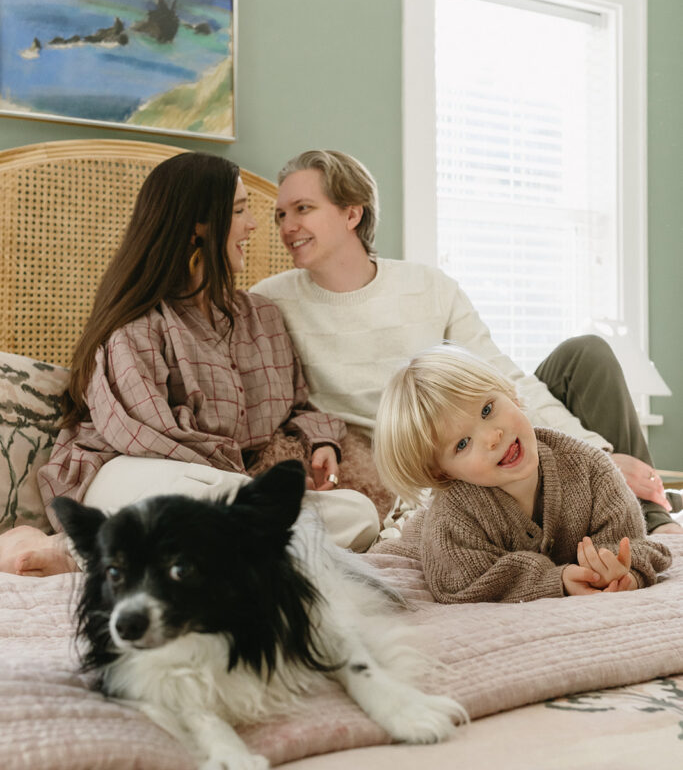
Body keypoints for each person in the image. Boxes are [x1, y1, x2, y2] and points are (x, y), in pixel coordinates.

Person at [251, 149, 681, 535]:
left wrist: (599, 453)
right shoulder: (270, 300)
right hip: (440, 456)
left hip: (483, 428)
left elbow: (503, 378)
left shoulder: (428, 286)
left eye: (302, 209)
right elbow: (284, 408)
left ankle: (650, 511)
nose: (288, 227)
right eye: (280, 216)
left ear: (351, 214)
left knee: (587, 353)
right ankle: (646, 514)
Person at [1, 152, 379, 576]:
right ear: (199, 226)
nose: (254, 225)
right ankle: (102, 547)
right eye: (239, 211)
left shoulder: (264, 317)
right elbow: (145, 434)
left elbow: (295, 407)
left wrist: (321, 442)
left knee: (360, 513)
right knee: (201, 495)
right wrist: (245, 482)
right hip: (134, 476)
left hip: (227, 492)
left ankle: (136, 556)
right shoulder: (137, 323)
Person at [371, 344, 672, 603]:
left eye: (487, 410)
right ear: (442, 473)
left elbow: (633, 544)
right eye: (462, 444)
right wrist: (557, 579)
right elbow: (459, 581)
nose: (492, 437)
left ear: (511, 395)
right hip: (422, 535)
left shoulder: (591, 468)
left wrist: (624, 573)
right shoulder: (452, 516)